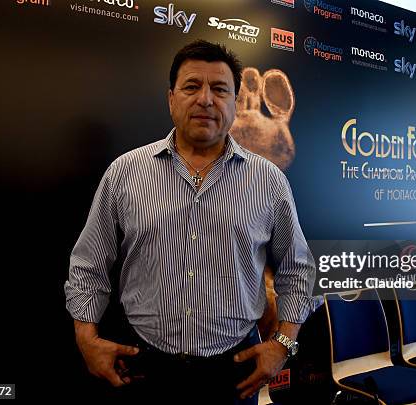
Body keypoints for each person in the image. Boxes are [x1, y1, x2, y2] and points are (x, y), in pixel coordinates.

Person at [64, 39, 316, 404]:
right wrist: (86, 339)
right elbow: (88, 264)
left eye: (219, 89)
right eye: (192, 87)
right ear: (171, 99)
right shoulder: (125, 172)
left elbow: (297, 269)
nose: (205, 100)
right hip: (141, 365)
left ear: (232, 103)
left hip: (234, 368)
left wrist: (283, 344)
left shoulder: (269, 181)